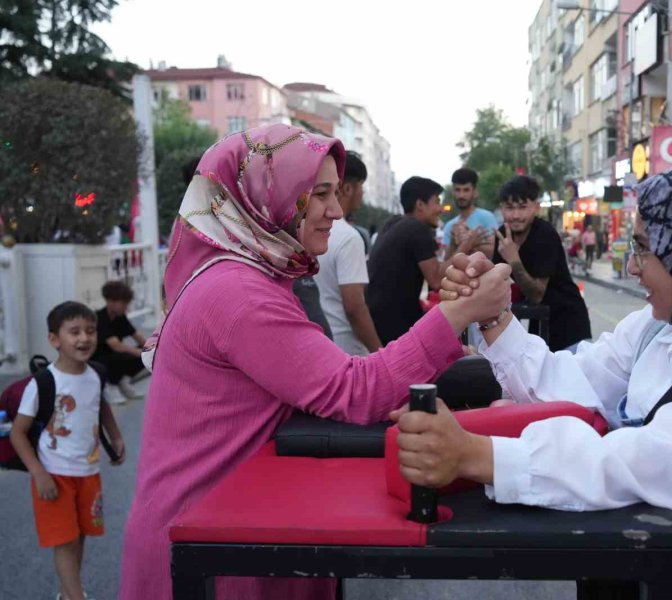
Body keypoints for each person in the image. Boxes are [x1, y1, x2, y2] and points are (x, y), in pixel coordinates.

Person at [396, 155, 672, 599]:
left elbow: (655, 462)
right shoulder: (660, 327)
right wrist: (492, 314)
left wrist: (478, 454)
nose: (633, 268)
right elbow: (570, 381)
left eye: (646, 249)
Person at [119, 125, 511, 600]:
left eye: (335, 192)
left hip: (237, 528)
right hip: (212, 550)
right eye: (318, 194)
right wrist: (461, 314)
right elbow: (354, 390)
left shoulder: (249, 278)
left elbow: (321, 380)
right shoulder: (239, 294)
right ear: (269, 197)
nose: (336, 210)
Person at [10, 301, 125, 600]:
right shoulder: (44, 382)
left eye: (90, 331)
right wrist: (38, 473)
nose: (84, 338)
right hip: (54, 475)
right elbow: (18, 433)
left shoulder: (97, 373)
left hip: (89, 472)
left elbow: (101, 405)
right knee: (65, 541)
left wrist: (116, 437)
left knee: (81, 536)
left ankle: (67, 592)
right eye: (74, 332)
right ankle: (76, 597)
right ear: (54, 339)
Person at [492, 175, 591, 352]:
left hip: (568, 325)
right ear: (501, 209)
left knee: (566, 379)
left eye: (523, 208)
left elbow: (537, 294)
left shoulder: (545, 235)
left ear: (536, 208)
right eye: (509, 208)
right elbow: (496, 284)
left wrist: (514, 259)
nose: (515, 215)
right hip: (538, 324)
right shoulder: (502, 235)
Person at [314, 151, 381, 355]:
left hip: (318, 343)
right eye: (361, 186)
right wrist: (379, 352)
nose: (362, 193)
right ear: (348, 188)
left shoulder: (310, 232)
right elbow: (354, 307)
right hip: (347, 350)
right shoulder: (349, 237)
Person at [366, 176, 446, 345]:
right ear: (420, 205)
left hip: (378, 320)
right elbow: (437, 280)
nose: (440, 209)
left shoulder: (392, 223)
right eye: (437, 202)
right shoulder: (417, 229)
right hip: (397, 325)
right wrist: (465, 246)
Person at [91, 280, 147, 404]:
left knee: (146, 353)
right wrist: (138, 352)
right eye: (123, 304)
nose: (126, 307)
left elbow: (138, 336)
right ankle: (110, 385)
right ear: (110, 301)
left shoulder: (120, 317)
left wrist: (153, 348)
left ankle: (123, 381)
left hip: (116, 356)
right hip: (99, 359)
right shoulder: (100, 318)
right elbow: (115, 345)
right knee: (122, 356)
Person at [443, 167, 497, 259]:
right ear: (453, 192)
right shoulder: (449, 226)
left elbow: (495, 253)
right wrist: (454, 243)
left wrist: (472, 242)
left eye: (466, 190)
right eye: (457, 190)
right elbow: (446, 263)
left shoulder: (487, 218)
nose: (461, 195)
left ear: (475, 192)